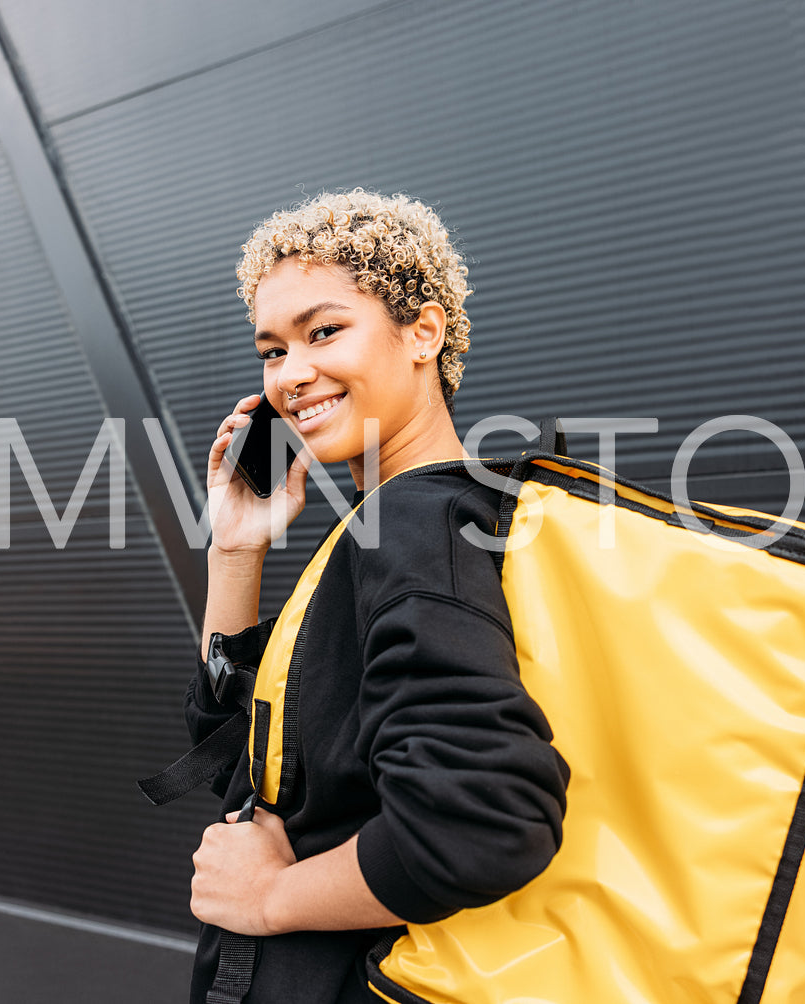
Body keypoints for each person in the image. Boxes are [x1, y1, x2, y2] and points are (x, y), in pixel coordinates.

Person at [182, 189, 570, 1003]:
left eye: (324, 332)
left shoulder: (416, 529)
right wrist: (236, 549)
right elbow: (241, 757)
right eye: (271, 349)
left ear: (422, 332)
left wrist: (270, 898)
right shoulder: (396, 526)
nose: (292, 374)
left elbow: (482, 820)